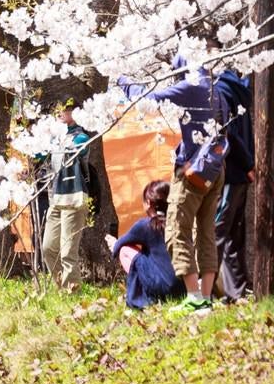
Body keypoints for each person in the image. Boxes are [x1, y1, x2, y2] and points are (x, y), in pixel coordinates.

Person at [120, 57, 228, 312]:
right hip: (215, 168)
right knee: (205, 232)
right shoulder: (216, 88)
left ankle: (193, 296)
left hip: (192, 170)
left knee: (176, 230)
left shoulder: (190, 85)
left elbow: (147, 100)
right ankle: (205, 297)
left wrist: (123, 82)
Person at [37, 107, 100, 290]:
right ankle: (63, 288)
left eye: (65, 109)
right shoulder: (55, 138)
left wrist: (51, 140)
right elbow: (40, 154)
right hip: (56, 199)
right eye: (58, 110)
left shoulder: (81, 136)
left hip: (74, 198)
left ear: (76, 113)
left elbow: (75, 150)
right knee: (48, 247)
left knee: (67, 252)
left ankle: (72, 295)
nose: (59, 113)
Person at [214, 69, 254, 301]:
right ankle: (236, 292)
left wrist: (246, 163)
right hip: (244, 172)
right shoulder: (242, 89)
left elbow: (228, 132)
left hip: (230, 171)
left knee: (217, 231)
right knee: (234, 236)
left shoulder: (220, 90)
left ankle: (205, 290)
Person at [111, 180, 183, 310]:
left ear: (148, 203)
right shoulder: (180, 222)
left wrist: (113, 243)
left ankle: (141, 295)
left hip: (162, 286)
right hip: (185, 287)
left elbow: (118, 246)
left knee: (125, 250)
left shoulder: (146, 225)